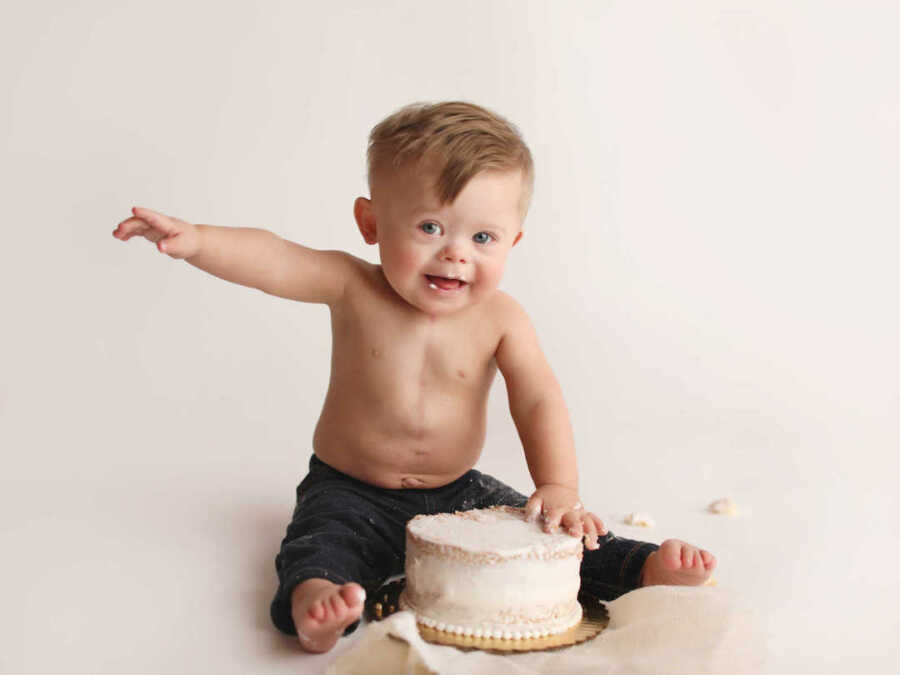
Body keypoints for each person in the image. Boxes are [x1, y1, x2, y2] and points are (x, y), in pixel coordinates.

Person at [113, 101, 716, 654]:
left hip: (459, 494)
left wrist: (558, 485)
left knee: (544, 536)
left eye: (483, 237)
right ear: (371, 222)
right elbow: (276, 257)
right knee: (321, 546)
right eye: (431, 227)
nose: (456, 253)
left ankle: (639, 568)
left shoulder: (502, 318)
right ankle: (317, 606)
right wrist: (197, 241)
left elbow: (537, 399)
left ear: (514, 241)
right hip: (350, 488)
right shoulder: (354, 287)